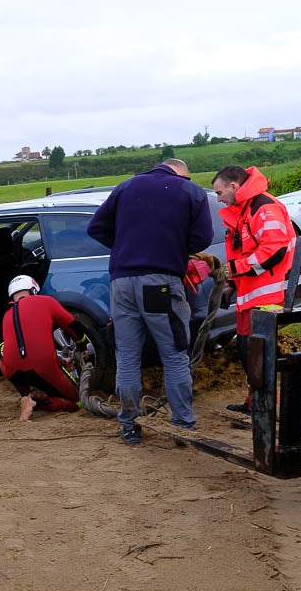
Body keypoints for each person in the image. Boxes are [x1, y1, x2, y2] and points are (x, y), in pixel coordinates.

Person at [87, 158, 214, 444]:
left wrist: (126, 247)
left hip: (121, 284)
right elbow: (203, 237)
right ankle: (183, 427)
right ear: (182, 172)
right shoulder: (190, 191)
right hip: (161, 285)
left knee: (128, 358)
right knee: (174, 355)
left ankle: (130, 426)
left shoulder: (126, 187)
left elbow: (96, 227)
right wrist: (173, 249)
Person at [212, 165, 296, 414]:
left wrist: (233, 270)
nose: (218, 199)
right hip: (251, 294)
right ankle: (255, 402)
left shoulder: (263, 207)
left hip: (267, 296)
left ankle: (265, 406)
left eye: (219, 192)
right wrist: (231, 284)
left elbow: (273, 250)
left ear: (234, 186)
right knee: (249, 352)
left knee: (258, 353)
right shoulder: (246, 209)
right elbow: (246, 250)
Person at [0, 274, 86, 421]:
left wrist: (62, 362)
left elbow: (26, 348)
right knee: (76, 402)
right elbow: (75, 328)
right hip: (43, 369)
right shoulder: (46, 302)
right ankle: (36, 403)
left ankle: (26, 395)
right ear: (33, 290)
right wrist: (82, 347)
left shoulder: (7, 315)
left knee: (1, 347)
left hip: (14, 372)